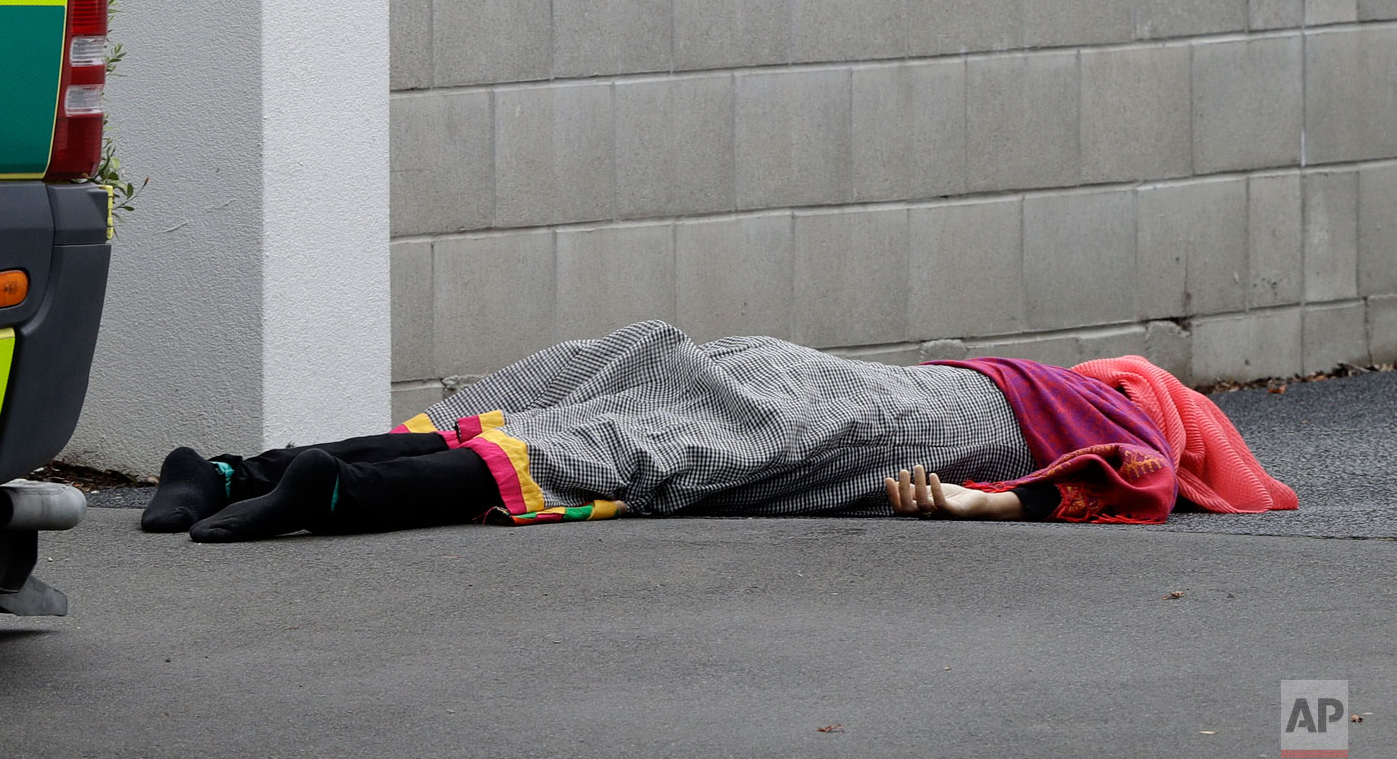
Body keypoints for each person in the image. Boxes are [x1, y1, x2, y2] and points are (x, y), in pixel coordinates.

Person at [141, 321, 1297, 543]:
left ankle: (251, 465)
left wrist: (974, 495)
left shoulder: (1049, 380)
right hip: (885, 416)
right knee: (666, 444)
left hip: (835, 371)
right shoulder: (1122, 419)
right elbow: (1120, 477)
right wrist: (975, 499)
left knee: (618, 376)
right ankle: (332, 495)